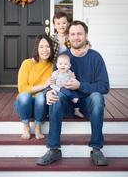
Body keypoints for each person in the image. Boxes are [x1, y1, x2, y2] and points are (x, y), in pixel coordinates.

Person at [37, 20, 110, 166]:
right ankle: (54, 149)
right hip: (68, 105)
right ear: (68, 37)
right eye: (73, 34)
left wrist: (80, 85)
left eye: (79, 34)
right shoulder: (63, 57)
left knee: (97, 97)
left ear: (86, 35)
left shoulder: (95, 57)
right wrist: (48, 92)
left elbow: (104, 86)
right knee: (55, 96)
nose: (76, 37)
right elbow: (53, 81)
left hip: (87, 105)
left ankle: (96, 149)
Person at [14, 34, 54, 140]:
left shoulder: (53, 66)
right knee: (25, 96)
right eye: (41, 47)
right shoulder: (27, 63)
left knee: (41, 97)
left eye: (47, 46)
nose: (45, 50)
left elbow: (54, 86)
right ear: (37, 49)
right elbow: (22, 88)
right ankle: (26, 126)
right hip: (24, 105)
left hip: (40, 106)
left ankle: (37, 127)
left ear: (51, 48)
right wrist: (44, 85)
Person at [50, 53, 83, 118]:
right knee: (69, 94)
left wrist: (73, 78)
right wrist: (57, 88)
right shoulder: (56, 73)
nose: (63, 66)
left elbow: (73, 81)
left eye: (65, 64)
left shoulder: (70, 72)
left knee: (77, 96)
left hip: (69, 88)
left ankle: (76, 111)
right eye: (60, 64)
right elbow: (52, 84)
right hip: (59, 89)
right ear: (57, 65)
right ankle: (72, 98)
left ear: (69, 66)